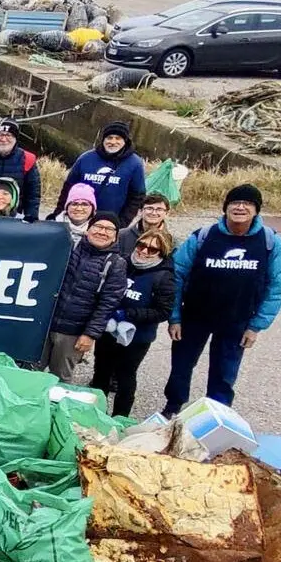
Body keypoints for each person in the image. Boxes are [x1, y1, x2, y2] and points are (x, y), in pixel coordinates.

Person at [161, 184, 281, 414]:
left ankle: (216, 415)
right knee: (181, 366)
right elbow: (175, 275)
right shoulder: (204, 236)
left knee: (224, 373)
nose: (240, 207)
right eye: (234, 203)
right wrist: (175, 317)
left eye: (247, 203)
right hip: (195, 316)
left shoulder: (270, 242)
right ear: (225, 207)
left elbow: (277, 286)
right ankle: (172, 408)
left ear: (256, 210)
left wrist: (256, 326)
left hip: (237, 320)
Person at [91, 229, 176, 416]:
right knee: (101, 372)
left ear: (161, 253)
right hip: (108, 329)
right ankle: (94, 414)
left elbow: (163, 311)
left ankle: (120, 418)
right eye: (141, 245)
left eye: (152, 249)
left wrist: (130, 314)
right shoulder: (123, 263)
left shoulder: (164, 277)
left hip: (136, 337)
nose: (144, 251)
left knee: (125, 377)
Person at [45, 212, 129, 383]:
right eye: (98, 226)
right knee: (29, 372)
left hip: (73, 333)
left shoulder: (116, 264)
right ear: (88, 229)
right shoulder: (69, 248)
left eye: (109, 229)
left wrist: (90, 335)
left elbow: (107, 305)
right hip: (45, 324)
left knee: (60, 379)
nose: (102, 232)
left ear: (115, 236)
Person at [54, 121, 147, 224]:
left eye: (118, 138)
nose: (113, 142)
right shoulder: (86, 158)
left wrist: (122, 222)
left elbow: (137, 196)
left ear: (125, 141)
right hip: (79, 219)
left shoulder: (135, 163)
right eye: (109, 138)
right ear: (103, 139)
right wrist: (58, 213)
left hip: (109, 223)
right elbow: (68, 188)